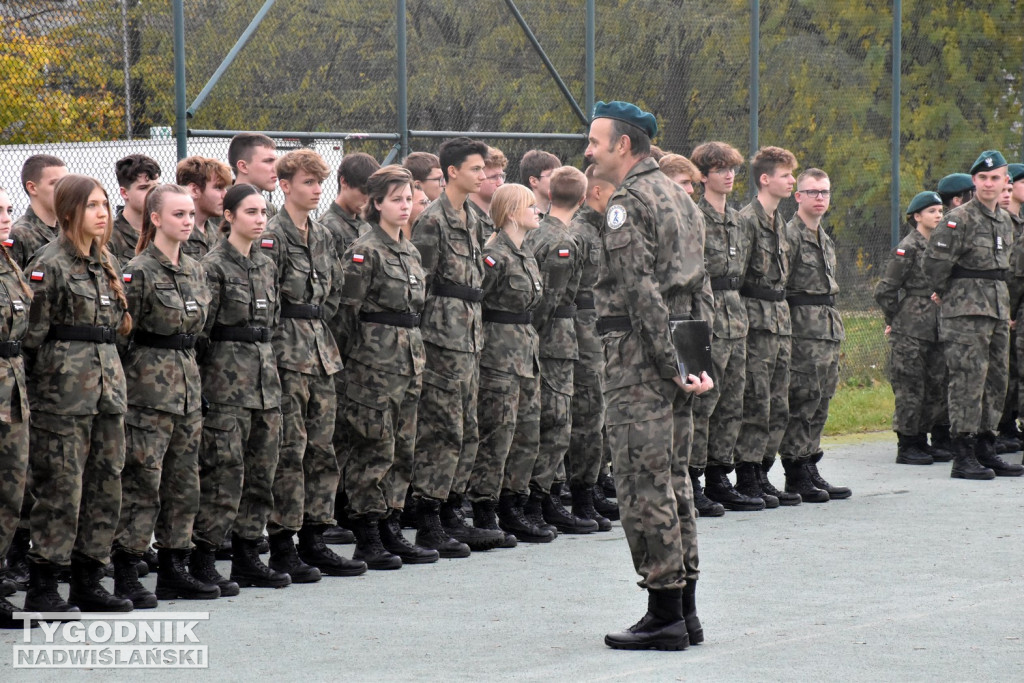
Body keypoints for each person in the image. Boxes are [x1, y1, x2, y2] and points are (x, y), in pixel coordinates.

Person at [586, 101, 711, 651]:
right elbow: (698, 285)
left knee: (643, 485)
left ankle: (664, 614)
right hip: (676, 352)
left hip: (641, 359)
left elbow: (641, 295)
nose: (588, 151)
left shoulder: (627, 202)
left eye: (596, 141)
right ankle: (684, 610)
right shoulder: (679, 196)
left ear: (623, 145)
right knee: (675, 479)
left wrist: (670, 363)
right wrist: (694, 361)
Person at [22, 174, 133, 613]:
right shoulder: (49, 263)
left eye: (105, 204)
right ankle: (44, 585)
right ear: (69, 211)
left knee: (106, 485)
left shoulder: (105, 260)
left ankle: (89, 578)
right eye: (91, 206)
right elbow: (31, 337)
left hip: (107, 392)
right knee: (62, 491)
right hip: (62, 397)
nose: (102, 213)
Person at [113, 185, 220, 607]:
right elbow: (123, 336)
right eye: (178, 214)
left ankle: (175, 569)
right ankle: (127, 570)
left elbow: (201, 334)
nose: (188, 221)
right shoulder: (137, 271)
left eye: (191, 214)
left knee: (184, 482)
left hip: (188, 388)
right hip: (148, 392)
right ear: (155, 218)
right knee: (143, 481)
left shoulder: (196, 269)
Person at [261, 149, 365, 579]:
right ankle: (283, 542)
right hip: (287, 353)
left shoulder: (321, 236)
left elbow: (335, 294)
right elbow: (266, 301)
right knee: (290, 450)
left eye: (319, 182)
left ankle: (315, 537)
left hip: (321, 352)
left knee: (321, 449)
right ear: (285, 186)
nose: (316, 189)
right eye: (307, 182)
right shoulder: (272, 236)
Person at [332, 165, 437, 568]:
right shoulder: (364, 251)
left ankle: (392, 523)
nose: (405, 205)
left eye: (409, 198)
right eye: (396, 199)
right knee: (372, 448)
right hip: (372, 365)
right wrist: (352, 366)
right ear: (376, 204)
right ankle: (368, 533)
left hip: (408, 360)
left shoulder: (409, 250)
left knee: (402, 447)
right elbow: (346, 315)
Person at [409, 137, 504, 556]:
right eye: (476, 169)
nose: (483, 176)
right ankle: (429, 520)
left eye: (484, 169)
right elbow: (421, 285)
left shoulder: (474, 219)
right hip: (442, 338)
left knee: (467, 428)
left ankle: (452, 511)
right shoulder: (432, 222)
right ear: (452, 172)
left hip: (469, 335)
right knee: (442, 429)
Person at [195, 183, 289, 589]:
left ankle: (249, 554)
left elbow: (275, 322)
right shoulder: (212, 266)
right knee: (224, 474)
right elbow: (201, 331)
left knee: (262, 472)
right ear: (228, 216)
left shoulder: (265, 264)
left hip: (265, 383)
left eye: (263, 211)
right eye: (250, 211)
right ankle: (203, 557)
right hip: (226, 386)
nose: (259, 218)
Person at [925, 150, 1024, 479]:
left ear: (1005, 181)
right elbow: (934, 264)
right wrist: (947, 293)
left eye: (995, 178)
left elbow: (1006, 269)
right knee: (968, 380)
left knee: (996, 380)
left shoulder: (1005, 220)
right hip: (965, 311)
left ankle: (986, 447)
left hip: (997, 309)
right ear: (974, 182)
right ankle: (963, 453)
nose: (988, 183)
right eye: (982, 178)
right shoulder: (959, 218)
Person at [466, 183, 552, 544]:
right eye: (530, 206)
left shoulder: (525, 252)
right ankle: (485, 508)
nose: (538, 212)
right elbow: (476, 304)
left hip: (525, 353)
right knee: (497, 433)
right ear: (512, 212)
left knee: (526, 433)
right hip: (498, 354)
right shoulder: (493, 255)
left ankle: (513, 504)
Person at [687, 142, 764, 514]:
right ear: (702, 176)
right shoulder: (695, 217)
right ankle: (694, 477)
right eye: (719, 169)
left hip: (737, 316)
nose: (728, 175)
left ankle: (720, 474)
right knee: (705, 403)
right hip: (709, 314)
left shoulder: (739, 220)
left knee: (733, 401)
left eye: (732, 168)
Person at [525, 166, 602, 534]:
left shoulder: (536, 232)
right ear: (584, 199)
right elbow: (550, 302)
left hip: (546, 336)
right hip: (555, 336)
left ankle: (544, 498)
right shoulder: (562, 242)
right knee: (556, 423)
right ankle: (541, 501)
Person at [318, 151, 380, 546]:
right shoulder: (331, 227)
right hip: (339, 341)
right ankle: (335, 507)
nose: (365, 201)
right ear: (344, 184)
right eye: (362, 192)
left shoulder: (359, 226)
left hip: (362, 345)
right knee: (338, 431)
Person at [735, 146, 802, 506]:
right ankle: (746, 474)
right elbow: (739, 277)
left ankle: (763, 470)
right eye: (786, 175)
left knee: (778, 401)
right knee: (755, 400)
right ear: (765, 179)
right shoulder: (747, 221)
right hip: (756, 319)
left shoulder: (781, 224)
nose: (792, 181)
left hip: (780, 318)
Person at [778, 169, 850, 500]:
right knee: (803, 398)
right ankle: (795, 471)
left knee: (821, 399)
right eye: (813, 192)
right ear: (798, 197)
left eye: (825, 192)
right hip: (802, 330)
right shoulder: (788, 236)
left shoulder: (825, 238)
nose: (820, 198)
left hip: (826, 328)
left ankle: (810, 463)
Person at [874, 191, 950, 465]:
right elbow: (885, 290)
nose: (938, 216)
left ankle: (922, 439)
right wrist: (894, 319)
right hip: (910, 329)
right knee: (910, 386)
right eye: (932, 211)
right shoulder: (908, 247)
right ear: (916, 216)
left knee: (935, 384)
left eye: (940, 211)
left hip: (936, 327)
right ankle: (908, 444)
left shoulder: (941, 245)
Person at [567, 165, 616, 524]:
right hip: (583, 328)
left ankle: (595, 485)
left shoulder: (604, 228)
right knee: (587, 412)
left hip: (600, 326)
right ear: (596, 191)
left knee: (600, 413)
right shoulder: (580, 232)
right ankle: (582, 493)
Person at [0, 187, 33, 627]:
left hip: (12, 385)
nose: (5, 217)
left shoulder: (9, 265)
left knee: (10, 491)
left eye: (8, 209)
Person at [8, 155, 68, 269]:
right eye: (55, 183)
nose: (64, 189)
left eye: (66, 183)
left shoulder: (68, 230)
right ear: (32, 188)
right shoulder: (18, 235)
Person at [320, 152, 381, 256]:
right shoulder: (325, 228)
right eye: (364, 191)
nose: (368, 199)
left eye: (372, 194)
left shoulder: (367, 224)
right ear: (344, 182)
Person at [109, 154, 161, 267]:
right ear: (124, 193)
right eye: (144, 188)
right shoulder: (109, 238)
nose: (153, 193)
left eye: (157, 187)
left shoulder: (164, 230)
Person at [177, 156, 232, 259]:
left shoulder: (220, 236)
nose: (225, 195)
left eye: (225, 188)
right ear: (194, 190)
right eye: (218, 188)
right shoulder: (175, 235)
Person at [228, 133, 279, 217]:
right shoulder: (219, 204)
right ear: (243, 166)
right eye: (268, 161)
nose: (276, 168)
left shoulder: (269, 208)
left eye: (276, 161)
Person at [468, 146, 507, 241]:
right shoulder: (467, 217)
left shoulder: (504, 215)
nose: (501, 183)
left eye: (501, 176)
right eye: (494, 177)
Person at [520, 150, 560, 217]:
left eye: (559, 175)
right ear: (533, 181)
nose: (559, 179)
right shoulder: (523, 218)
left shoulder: (559, 213)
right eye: (552, 175)